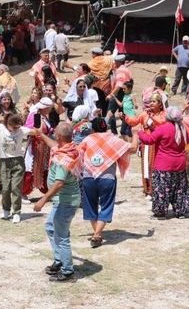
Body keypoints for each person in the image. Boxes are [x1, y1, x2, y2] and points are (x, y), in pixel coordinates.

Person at [33, 123, 81, 282]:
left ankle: (67, 270)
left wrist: (43, 199)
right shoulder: (69, 148)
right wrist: (41, 134)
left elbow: (59, 183)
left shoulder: (63, 159)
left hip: (66, 201)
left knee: (61, 235)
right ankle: (59, 260)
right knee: (50, 227)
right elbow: (54, 145)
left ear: (60, 137)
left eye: (55, 134)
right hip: (63, 200)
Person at [79, 117, 138, 247]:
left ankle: (97, 234)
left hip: (89, 177)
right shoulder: (114, 140)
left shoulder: (87, 139)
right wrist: (135, 134)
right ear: (106, 127)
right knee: (106, 205)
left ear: (92, 129)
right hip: (108, 178)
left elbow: (77, 155)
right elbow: (133, 148)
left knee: (90, 206)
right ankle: (97, 235)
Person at [138, 107, 189, 219]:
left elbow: (149, 140)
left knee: (161, 189)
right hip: (180, 164)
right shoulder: (182, 129)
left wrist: (139, 132)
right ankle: (180, 211)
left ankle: (160, 213)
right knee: (179, 189)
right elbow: (186, 141)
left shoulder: (163, 128)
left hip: (163, 164)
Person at [0, 113, 33, 224]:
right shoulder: (0, 128)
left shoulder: (21, 130)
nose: (16, 129)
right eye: (13, 127)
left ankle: (16, 212)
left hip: (18, 161)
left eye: (17, 127)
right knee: (5, 188)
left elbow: (35, 131)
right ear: (7, 123)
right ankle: (6, 210)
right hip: (4, 161)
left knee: (16, 188)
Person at [122, 93, 167, 199]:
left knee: (158, 167)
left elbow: (161, 124)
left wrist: (152, 119)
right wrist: (125, 117)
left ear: (160, 104)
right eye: (150, 101)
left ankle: (158, 188)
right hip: (146, 144)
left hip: (159, 144)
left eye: (154, 101)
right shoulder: (145, 114)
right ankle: (148, 190)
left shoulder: (163, 114)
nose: (151, 103)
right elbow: (135, 122)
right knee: (147, 167)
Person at [22, 97, 54, 199]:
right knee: (31, 169)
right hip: (35, 147)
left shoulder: (44, 117)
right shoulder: (35, 116)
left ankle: (47, 191)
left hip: (43, 148)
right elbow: (30, 130)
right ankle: (23, 193)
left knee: (44, 169)